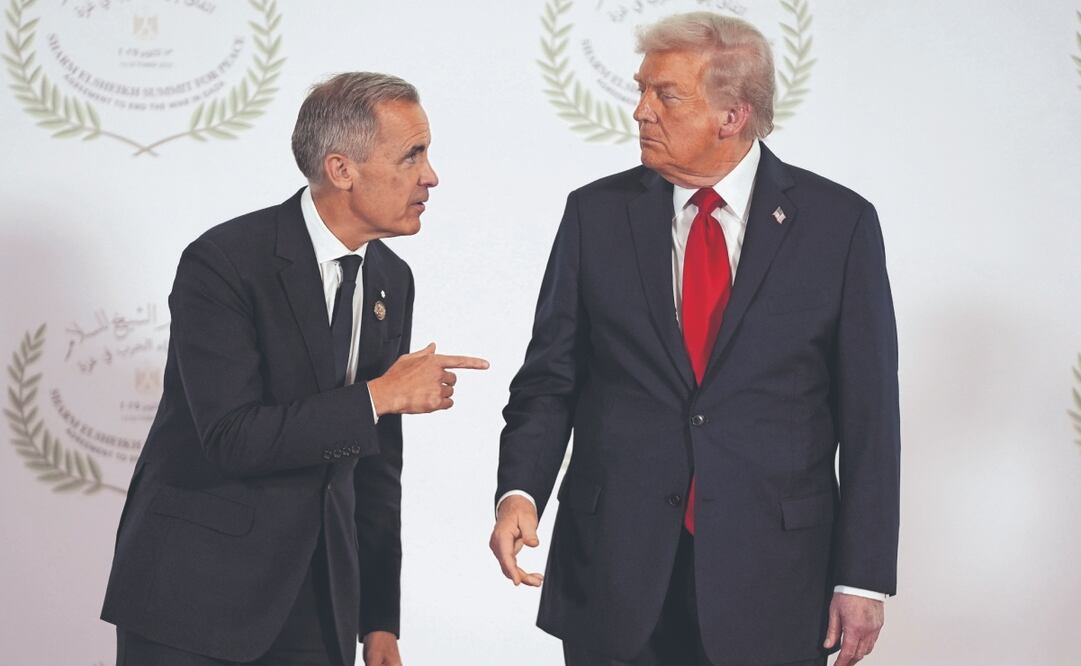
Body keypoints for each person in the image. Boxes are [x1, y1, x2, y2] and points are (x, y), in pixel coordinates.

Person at [490, 13, 899, 666]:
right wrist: (519, 490)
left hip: (774, 579)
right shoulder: (595, 214)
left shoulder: (838, 225)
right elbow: (550, 379)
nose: (640, 111)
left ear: (732, 115)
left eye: (665, 95)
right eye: (642, 89)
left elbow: (869, 415)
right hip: (614, 571)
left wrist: (862, 576)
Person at [102, 72, 488, 666]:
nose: (430, 176)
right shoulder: (223, 263)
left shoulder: (392, 278)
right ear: (341, 169)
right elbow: (231, 437)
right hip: (195, 600)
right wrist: (377, 398)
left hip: (319, 607)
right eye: (412, 156)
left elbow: (376, 466)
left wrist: (378, 619)